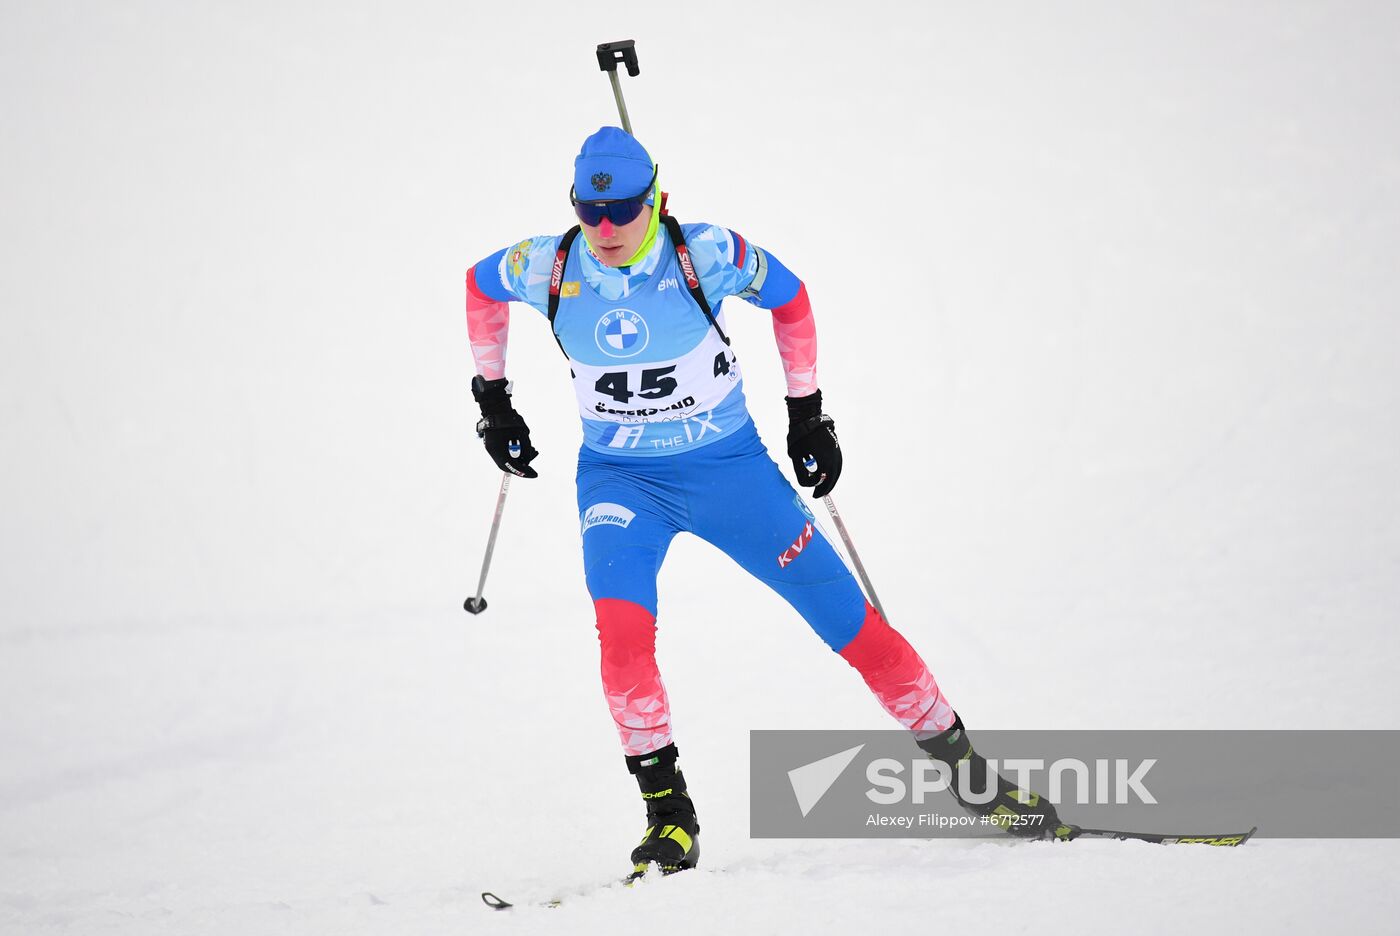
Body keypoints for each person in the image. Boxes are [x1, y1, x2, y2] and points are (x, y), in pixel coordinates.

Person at [464, 127, 1067, 876]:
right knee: (621, 642)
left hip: (731, 476)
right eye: (592, 212)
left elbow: (790, 297)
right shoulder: (547, 265)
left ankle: (973, 780)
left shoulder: (706, 254)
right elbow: (478, 285)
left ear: (657, 198)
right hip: (622, 485)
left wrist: (807, 412)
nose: (609, 228)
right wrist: (493, 399)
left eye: (625, 208)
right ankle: (669, 816)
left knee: (854, 628)